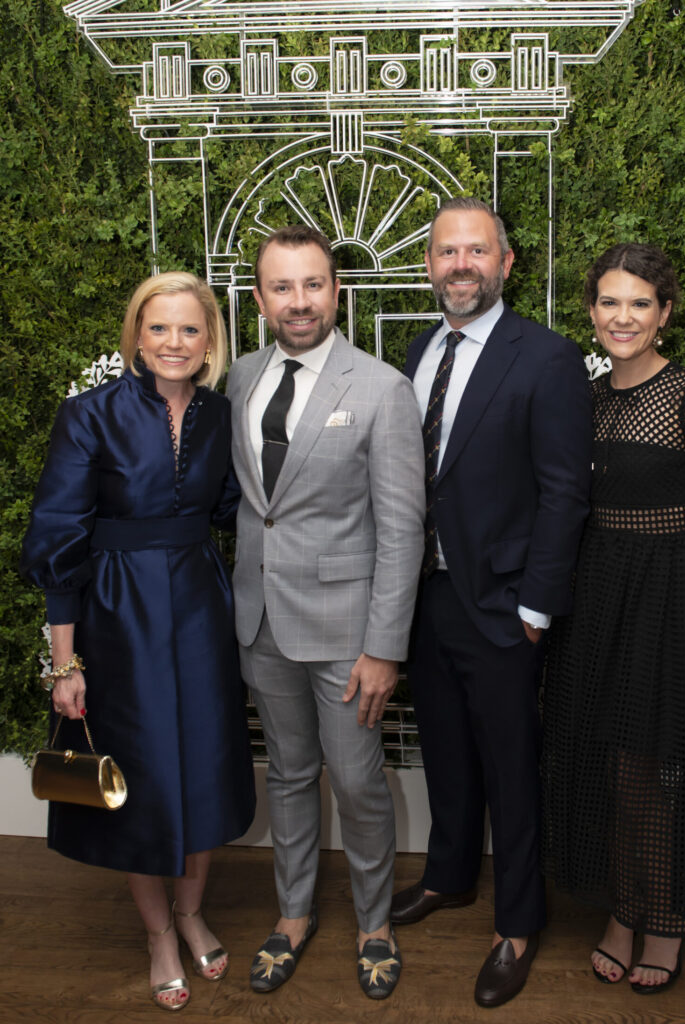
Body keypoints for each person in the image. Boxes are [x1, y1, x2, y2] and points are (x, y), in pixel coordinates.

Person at [20, 272, 256, 1012]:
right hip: (118, 617)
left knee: (206, 764)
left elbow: (230, 507)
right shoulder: (88, 414)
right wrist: (66, 662)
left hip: (199, 606)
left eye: (189, 330)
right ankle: (158, 932)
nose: (174, 343)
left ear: (209, 340)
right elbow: (60, 540)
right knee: (142, 773)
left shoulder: (221, 414)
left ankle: (192, 913)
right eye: (159, 329)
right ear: (136, 336)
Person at [391, 197, 592, 1008]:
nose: (460, 265)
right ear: (430, 266)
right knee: (442, 749)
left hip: (505, 605)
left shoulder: (545, 359)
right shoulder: (414, 350)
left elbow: (562, 495)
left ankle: (516, 921)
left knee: (511, 769)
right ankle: (449, 876)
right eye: (446, 252)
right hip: (426, 598)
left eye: (476, 251)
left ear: (505, 264)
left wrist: (535, 608)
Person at [227, 225, 425, 1000]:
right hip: (261, 625)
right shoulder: (239, 377)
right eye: (282, 287)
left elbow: (402, 530)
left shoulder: (380, 388)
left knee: (357, 781)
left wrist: (384, 647)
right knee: (286, 777)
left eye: (313, 284)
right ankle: (294, 914)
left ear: (335, 291)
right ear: (259, 298)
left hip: (348, 634)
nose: (299, 301)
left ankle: (374, 924)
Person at [542, 243, 685, 994]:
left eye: (638, 303)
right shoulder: (583, 399)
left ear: (663, 313)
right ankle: (621, 911)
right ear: (590, 311)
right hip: (592, 594)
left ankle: (663, 919)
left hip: (663, 594)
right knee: (595, 754)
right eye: (608, 302)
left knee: (650, 763)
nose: (621, 317)